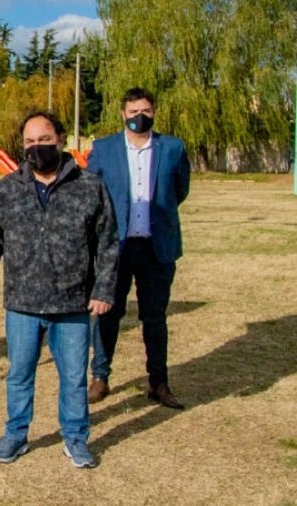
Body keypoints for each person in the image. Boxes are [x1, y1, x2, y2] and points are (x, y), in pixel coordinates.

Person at [0, 112, 118, 468]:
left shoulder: (89, 186)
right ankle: (15, 435)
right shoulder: (8, 189)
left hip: (71, 303)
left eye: (44, 140)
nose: (36, 148)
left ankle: (75, 438)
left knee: (73, 377)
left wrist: (103, 289)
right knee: (20, 374)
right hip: (22, 303)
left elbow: (109, 242)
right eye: (28, 142)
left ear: (61, 140)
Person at [87, 88, 191, 409]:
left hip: (156, 248)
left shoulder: (173, 148)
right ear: (123, 114)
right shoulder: (103, 149)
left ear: (154, 112)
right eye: (133, 111)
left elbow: (180, 190)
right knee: (107, 314)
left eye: (144, 110)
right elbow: (92, 194)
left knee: (155, 318)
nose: (139, 116)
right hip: (114, 250)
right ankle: (100, 378)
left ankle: (158, 382)